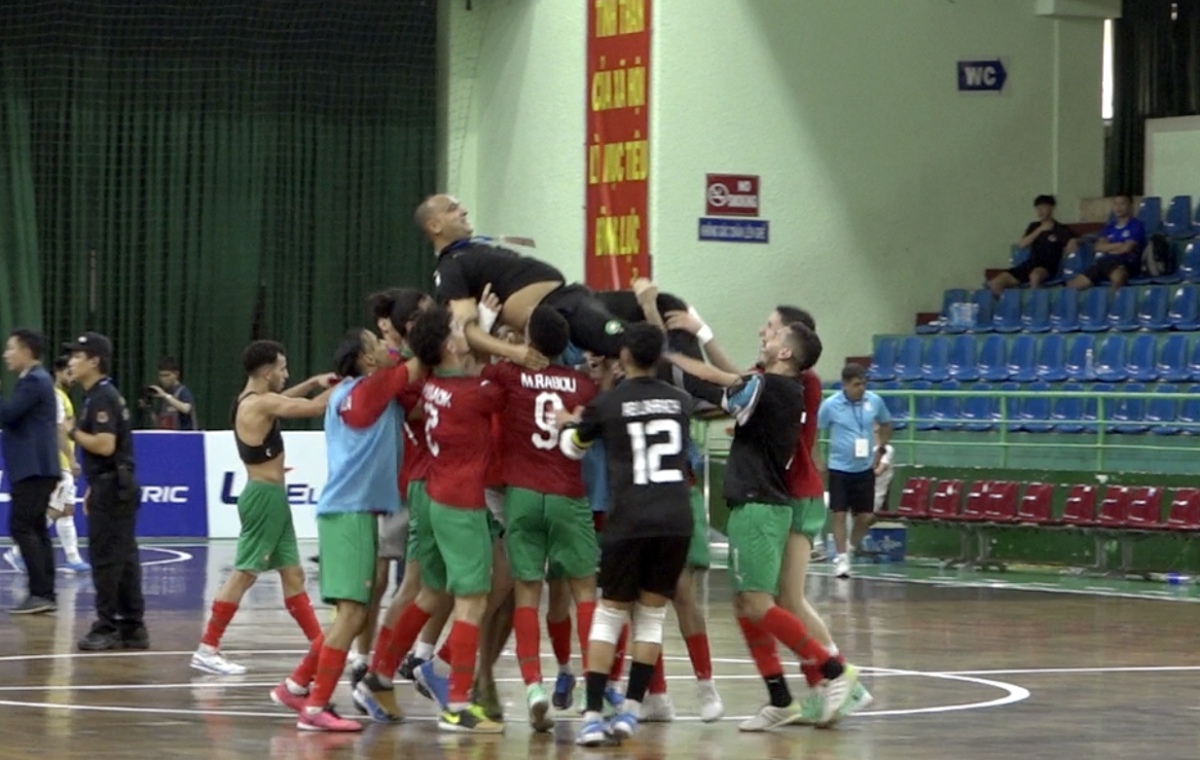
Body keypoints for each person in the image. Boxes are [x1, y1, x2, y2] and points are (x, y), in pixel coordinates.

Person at [667, 321, 858, 730]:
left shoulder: (771, 388)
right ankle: (779, 698)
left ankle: (833, 670)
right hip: (755, 504)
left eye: (773, 335)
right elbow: (722, 381)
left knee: (760, 602)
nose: (764, 337)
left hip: (760, 505)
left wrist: (668, 359)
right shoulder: (773, 387)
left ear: (787, 353)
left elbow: (710, 387)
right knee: (745, 605)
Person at [362, 306, 505, 734]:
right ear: (448, 345)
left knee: (430, 592)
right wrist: (494, 336)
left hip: (434, 495)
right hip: (462, 504)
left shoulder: (433, 386)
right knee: (473, 601)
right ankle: (456, 704)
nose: (467, 333)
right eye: (460, 330)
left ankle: (380, 674)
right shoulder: (475, 393)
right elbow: (505, 388)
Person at [272, 329, 422, 732]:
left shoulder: (349, 390)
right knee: (354, 613)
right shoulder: (373, 388)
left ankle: (296, 685)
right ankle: (317, 705)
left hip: (349, 511)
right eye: (377, 344)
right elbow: (418, 358)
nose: (386, 348)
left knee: (351, 613)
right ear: (367, 360)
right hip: (351, 512)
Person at [556, 323, 694, 747]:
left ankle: (594, 714)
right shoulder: (681, 402)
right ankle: (631, 711)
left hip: (629, 519)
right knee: (651, 617)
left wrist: (569, 424)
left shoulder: (607, 405)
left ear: (624, 357)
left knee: (610, 614)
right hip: (675, 520)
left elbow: (573, 448)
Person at [478, 305, 599, 732]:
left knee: (526, 593)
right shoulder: (583, 384)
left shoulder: (507, 376)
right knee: (584, 592)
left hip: (521, 495)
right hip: (567, 492)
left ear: (528, 339)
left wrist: (488, 330)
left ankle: (533, 688)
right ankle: (589, 686)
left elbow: (479, 383)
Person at [417, 195, 701, 368]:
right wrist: (514, 351)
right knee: (635, 342)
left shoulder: (475, 249)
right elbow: (464, 327)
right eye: (453, 208)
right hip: (562, 310)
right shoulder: (451, 266)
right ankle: (692, 383)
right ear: (434, 226)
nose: (463, 211)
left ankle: (699, 388)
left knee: (668, 305)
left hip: (578, 296)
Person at [190, 340, 335, 675]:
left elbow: (285, 399)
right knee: (245, 572)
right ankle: (208, 646)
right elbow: (313, 409)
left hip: (273, 499)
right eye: (282, 369)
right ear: (267, 372)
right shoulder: (259, 405)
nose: (286, 375)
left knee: (293, 574)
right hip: (264, 498)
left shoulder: (252, 400)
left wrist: (314, 383)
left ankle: (321, 645)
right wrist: (346, 386)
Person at [64, 332, 148, 649]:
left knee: (106, 559)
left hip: (113, 488)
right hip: (114, 484)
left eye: (77, 356)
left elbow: (105, 444)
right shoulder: (101, 395)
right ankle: (132, 626)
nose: (71, 362)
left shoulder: (101, 398)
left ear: (94, 361)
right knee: (124, 557)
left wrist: (71, 431)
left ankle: (106, 626)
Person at [1, 329, 62, 614]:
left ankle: (41, 593)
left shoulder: (33, 381)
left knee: (22, 525)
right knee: (36, 527)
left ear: (26, 351)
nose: (6, 355)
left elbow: (9, 415)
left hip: (33, 468)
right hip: (40, 467)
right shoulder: (37, 380)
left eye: (10, 349)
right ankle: (44, 593)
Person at [818, 363, 893, 579]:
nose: (861, 388)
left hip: (864, 467)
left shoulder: (874, 401)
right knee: (839, 514)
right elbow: (813, 430)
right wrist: (818, 459)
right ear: (844, 385)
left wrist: (880, 449)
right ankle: (842, 559)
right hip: (839, 468)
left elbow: (887, 424)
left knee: (865, 516)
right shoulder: (831, 405)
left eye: (863, 384)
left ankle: (849, 546)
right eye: (856, 384)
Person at [987, 195, 1076, 296]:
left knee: (1035, 276)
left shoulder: (1060, 229)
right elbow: (1022, 244)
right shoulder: (1034, 226)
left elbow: (1073, 241)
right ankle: (1007, 307)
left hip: (1048, 266)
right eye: (1038, 208)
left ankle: (1036, 305)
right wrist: (1040, 229)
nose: (1040, 211)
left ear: (1051, 208)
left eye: (1043, 207)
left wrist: (1073, 242)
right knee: (996, 283)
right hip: (1030, 263)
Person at [1067, 194, 1147, 292]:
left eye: (1122, 204)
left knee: (1119, 278)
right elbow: (1098, 247)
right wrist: (1119, 244)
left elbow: (1126, 249)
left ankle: (1113, 304)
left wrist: (1110, 247)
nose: (1118, 207)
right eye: (1116, 204)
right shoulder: (1110, 227)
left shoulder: (1136, 225)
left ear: (1131, 206)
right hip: (1104, 262)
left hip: (1126, 263)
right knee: (1071, 286)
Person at [143, 356, 197, 430]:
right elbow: (158, 421)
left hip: (184, 436)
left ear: (176, 374)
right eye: (161, 376)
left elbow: (186, 408)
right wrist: (149, 408)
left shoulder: (182, 391)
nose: (163, 379)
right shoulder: (161, 395)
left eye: (167, 375)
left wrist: (165, 396)